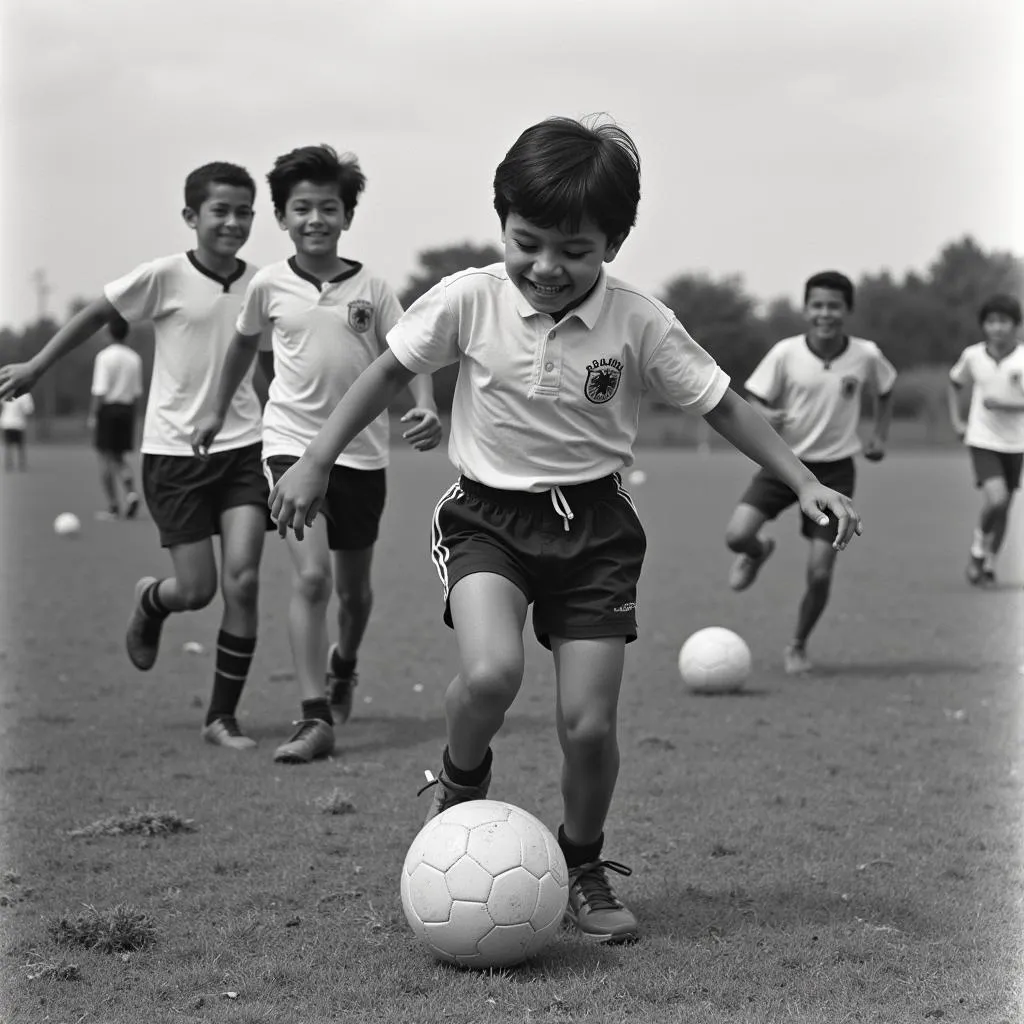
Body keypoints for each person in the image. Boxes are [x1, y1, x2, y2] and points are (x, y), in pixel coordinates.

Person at [267, 117, 862, 944]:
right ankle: (461, 794)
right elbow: (388, 370)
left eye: (574, 250)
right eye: (528, 242)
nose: (547, 268)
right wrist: (316, 460)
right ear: (503, 223)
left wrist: (802, 481)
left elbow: (722, 402)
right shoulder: (470, 297)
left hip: (595, 532)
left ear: (613, 244)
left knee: (587, 728)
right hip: (487, 519)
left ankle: (582, 863)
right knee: (489, 676)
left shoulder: (640, 321)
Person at [0, 162, 270, 751]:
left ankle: (221, 717)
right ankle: (153, 601)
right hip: (173, 454)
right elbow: (98, 313)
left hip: (245, 448)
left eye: (243, 211)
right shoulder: (164, 276)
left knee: (243, 581)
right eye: (220, 210)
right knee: (196, 590)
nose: (232, 221)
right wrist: (38, 367)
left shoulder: (263, 283)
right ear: (191, 217)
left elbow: (274, 359)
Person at [194, 145, 442, 765]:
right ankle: (314, 718)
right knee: (311, 576)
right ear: (282, 216)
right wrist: (215, 408)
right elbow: (239, 351)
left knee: (353, 596)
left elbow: (411, 356)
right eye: (301, 208)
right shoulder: (267, 285)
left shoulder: (375, 289)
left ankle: (344, 666)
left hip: (362, 459)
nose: (315, 219)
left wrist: (427, 405)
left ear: (346, 215)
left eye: (327, 207)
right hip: (289, 451)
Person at [723, 271, 895, 675]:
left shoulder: (866, 355)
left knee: (820, 572)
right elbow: (753, 400)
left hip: (835, 473)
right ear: (805, 309)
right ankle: (758, 552)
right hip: (785, 464)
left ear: (847, 310)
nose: (825, 313)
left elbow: (886, 390)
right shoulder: (786, 353)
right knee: (736, 536)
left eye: (834, 305)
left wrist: (878, 436)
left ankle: (797, 645)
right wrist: (767, 414)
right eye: (817, 305)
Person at [948, 293, 1024, 585]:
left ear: (1015, 325)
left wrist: (1007, 406)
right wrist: (957, 421)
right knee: (997, 498)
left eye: (1004, 321)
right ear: (984, 326)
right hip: (982, 439)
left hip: (1016, 442)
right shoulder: (973, 356)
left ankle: (990, 562)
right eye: (991, 322)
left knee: (1005, 506)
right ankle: (978, 550)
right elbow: (954, 384)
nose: (998, 328)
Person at [88, 313, 144, 519]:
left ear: (109, 332)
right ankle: (130, 493)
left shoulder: (104, 357)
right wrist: (135, 417)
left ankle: (113, 506)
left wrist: (93, 415)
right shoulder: (134, 358)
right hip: (127, 410)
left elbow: (100, 390)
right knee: (120, 457)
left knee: (104, 457)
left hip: (108, 410)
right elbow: (137, 393)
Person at [1, 393, 34, 471]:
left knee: (8, 444)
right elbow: (28, 410)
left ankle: (8, 464)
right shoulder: (25, 395)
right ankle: (21, 464)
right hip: (18, 423)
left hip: (7, 422)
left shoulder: (7, 390)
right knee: (20, 445)